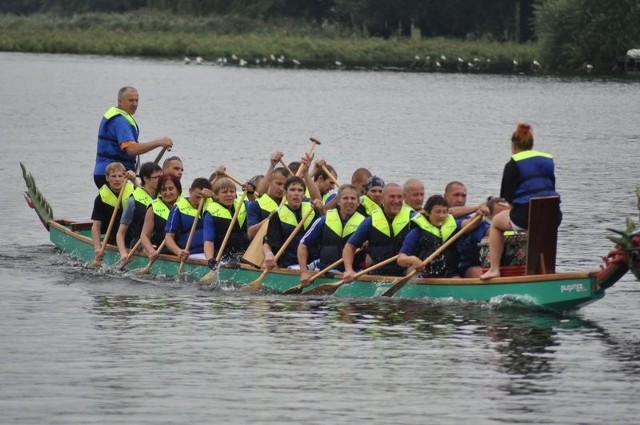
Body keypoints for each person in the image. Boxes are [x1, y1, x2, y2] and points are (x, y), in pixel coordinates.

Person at [480, 123, 560, 280]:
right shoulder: (547, 160)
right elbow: (549, 187)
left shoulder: (512, 164)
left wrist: (507, 206)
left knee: (496, 223)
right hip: (553, 215)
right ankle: (546, 270)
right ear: (531, 144)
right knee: (538, 227)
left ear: (513, 144)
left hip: (526, 217)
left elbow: (508, 198)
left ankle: (494, 269)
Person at [93, 86, 173, 188]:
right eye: (131, 100)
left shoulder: (115, 115)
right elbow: (131, 149)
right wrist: (158, 142)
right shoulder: (120, 121)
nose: (135, 104)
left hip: (105, 173)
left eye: (136, 100)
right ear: (120, 101)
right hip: (114, 175)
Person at [342, 183, 414, 281]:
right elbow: (350, 247)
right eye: (392, 197)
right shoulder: (370, 221)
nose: (396, 201)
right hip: (378, 274)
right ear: (382, 199)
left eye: (399, 197)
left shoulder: (413, 219)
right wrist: (349, 270)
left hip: (406, 272)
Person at [297, 184, 365, 287]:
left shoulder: (365, 223)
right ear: (338, 201)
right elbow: (303, 245)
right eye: (345, 198)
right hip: (325, 270)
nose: (349, 202)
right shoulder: (324, 220)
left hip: (353, 272)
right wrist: (304, 272)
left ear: (358, 203)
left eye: (353, 199)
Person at [398, 195, 475, 278]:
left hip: (449, 274)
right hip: (422, 273)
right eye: (438, 212)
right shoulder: (417, 232)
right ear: (427, 213)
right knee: (411, 271)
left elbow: (471, 224)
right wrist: (412, 259)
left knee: (457, 279)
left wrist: (480, 213)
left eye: (444, 212)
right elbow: (401, 259)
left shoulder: (454, 225)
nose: (441, 216)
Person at [262, 176, 320, 269]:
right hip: (290, 263)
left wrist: (322, 209)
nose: (296, 193)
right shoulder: (277, 215)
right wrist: (268, 254)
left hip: (313, 262)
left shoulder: (313, 211)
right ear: (285, 193)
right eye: (292, 190)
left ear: (304, 194)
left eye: (300, 190)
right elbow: (269, 242)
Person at [115, 161, 162, 265]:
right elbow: (120, 233)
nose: (162, 180)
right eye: (157, 177)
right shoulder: (133, 201)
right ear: (146, 179)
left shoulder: (164, 197)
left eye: (162, 176)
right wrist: (123, 254)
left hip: (159, 240)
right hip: (138, 243)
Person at [91, 162, 135, 264]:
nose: (117, 179)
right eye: (113, 176)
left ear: (125, 177)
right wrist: (97, 248)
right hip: (112, 238)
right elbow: (96, 227)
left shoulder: (134, 191)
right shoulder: (101, 198)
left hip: (133, 237)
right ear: (107, 178)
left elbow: (147, 196)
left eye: (120, 176)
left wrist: (134, 180)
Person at [202, 177, 251, 269]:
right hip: (225, 255)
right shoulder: (210, 214)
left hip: (245, 253)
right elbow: (208, 241)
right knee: (233, 262)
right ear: (216, 196)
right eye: (224, 192)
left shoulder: (244, 205)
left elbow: (257, 206)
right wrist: (210, 259)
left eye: (232, 192)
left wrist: (251, 192)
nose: (229, 195)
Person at [457, 197, 511, 278]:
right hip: (471, 265)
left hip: (503, 264)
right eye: (500, 212)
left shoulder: (511, 223)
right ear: (489, 214)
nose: (503, 215)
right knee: (480, 272)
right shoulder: (482, 225)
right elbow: (489, 231)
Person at [164, 177, 211, 261]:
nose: (200, 202)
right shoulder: (178, 208)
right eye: (197, 197)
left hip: (211, 254)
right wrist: (179, 252)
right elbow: (168, 237)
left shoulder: (212, 205)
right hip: (190, 254)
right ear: (190, 191)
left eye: (203, 198)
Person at [140, 174, 182, 261]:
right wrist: (151, 251)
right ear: (159, 191)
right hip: (161, 250)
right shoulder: (152, 208)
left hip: (184, 251)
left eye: (171, 189)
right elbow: (144, 236)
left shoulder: (186, 205)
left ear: (178, 190)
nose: (167, 193)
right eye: (163, 190)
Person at [247, 167, 288, 240]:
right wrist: (268, 220)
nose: (281, 188)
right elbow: (251, 234)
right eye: (278, 184)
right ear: (270, 182)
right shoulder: (256, 205)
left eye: (285, 186)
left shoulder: (291, 205)